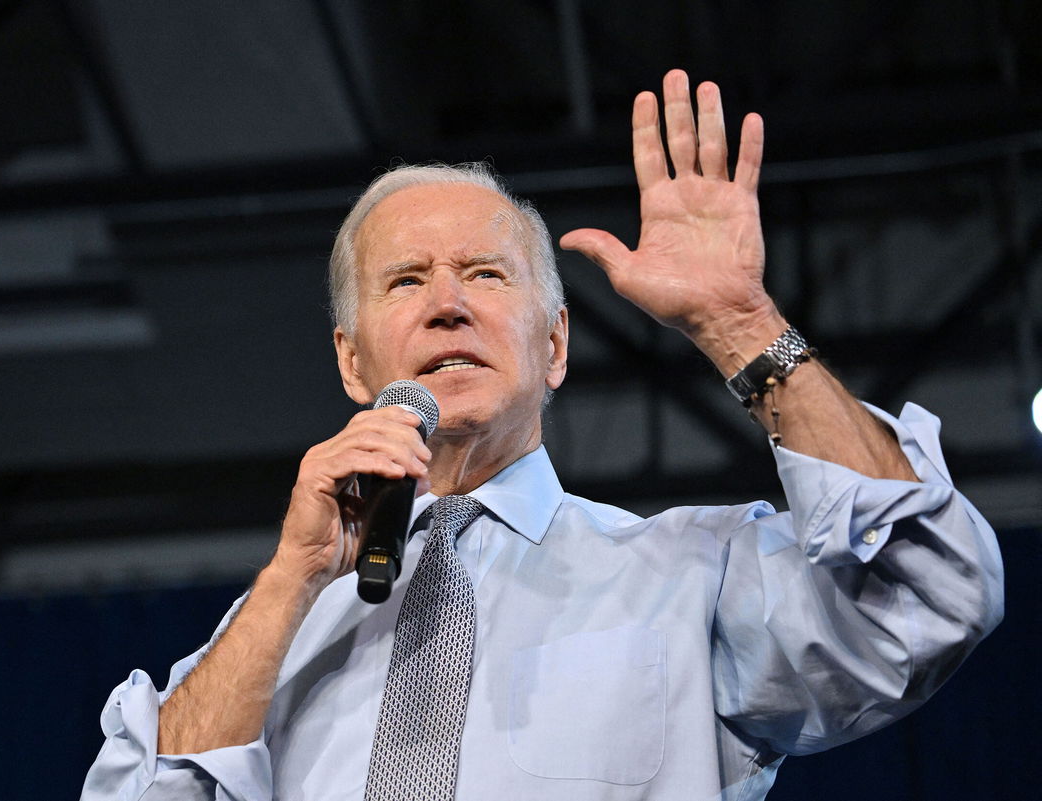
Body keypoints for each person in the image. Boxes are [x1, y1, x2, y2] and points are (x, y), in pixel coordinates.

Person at [80, 70, 1003, 801]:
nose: (447, 304)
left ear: (554, 344)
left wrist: (741, 322)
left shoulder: (695, 579)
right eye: (405, 282)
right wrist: (287, 582)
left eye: (485, 274)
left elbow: (931, 596)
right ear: (351, 363)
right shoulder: (266, 639)